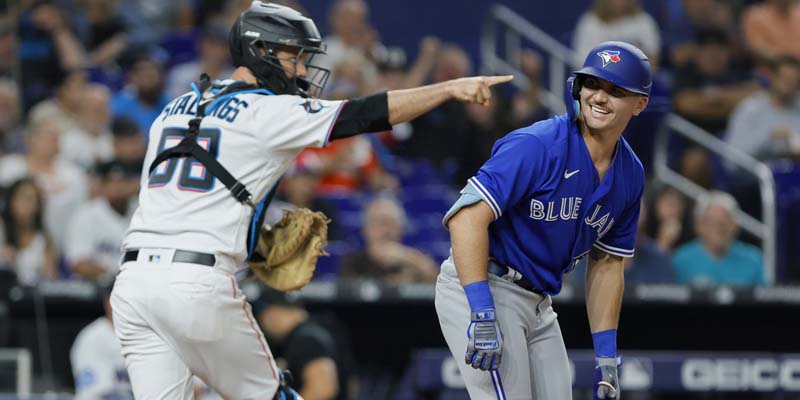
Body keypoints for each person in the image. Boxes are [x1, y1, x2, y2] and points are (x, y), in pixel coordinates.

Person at [109, 2, 512, 399]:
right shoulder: (265, 109)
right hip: (195, 284)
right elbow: (366, 114)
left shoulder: (172, 109)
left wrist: (251, 241)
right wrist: (447, 88)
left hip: (132, 286)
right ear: (260, 51)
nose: (302, 70)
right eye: (294, 57)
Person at [435, 41, 650, 399]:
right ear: (577, 88)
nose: (599, 97)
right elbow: (466, 219)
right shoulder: (538, 144)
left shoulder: (630, 174)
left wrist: (607, 356)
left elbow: (608, 263)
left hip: (538, 303)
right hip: (484, 284)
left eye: (616, 91)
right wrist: (482, 311)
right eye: (593, 84)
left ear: (640, 104)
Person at [254, 288, 350, 400]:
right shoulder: (315, 330)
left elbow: (322, 390)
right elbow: (352, 382)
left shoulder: (306, 338)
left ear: (272, 314)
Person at [338, 195, 438, 285]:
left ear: (401, 229)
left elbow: (437, 281)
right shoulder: (353, 260)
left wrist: (405, 256)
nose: (385, 231)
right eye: (378, 223)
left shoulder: (412, 258)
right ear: (365, 230)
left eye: (390, 223)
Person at [672, 191, 765, 287]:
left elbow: (765, 298)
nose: (718, 229)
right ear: (698, 226)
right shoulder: (680, 260)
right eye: (712, 222)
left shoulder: (753, 259)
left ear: (736, 226)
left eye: (724, 223)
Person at [0, 178, 58, 286]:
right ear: (11, 200)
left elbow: (50, 278)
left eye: (30, 199)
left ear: (38, 205)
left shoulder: (44, 239)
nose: (25, 204)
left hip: (31, 296)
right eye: (21, 198)